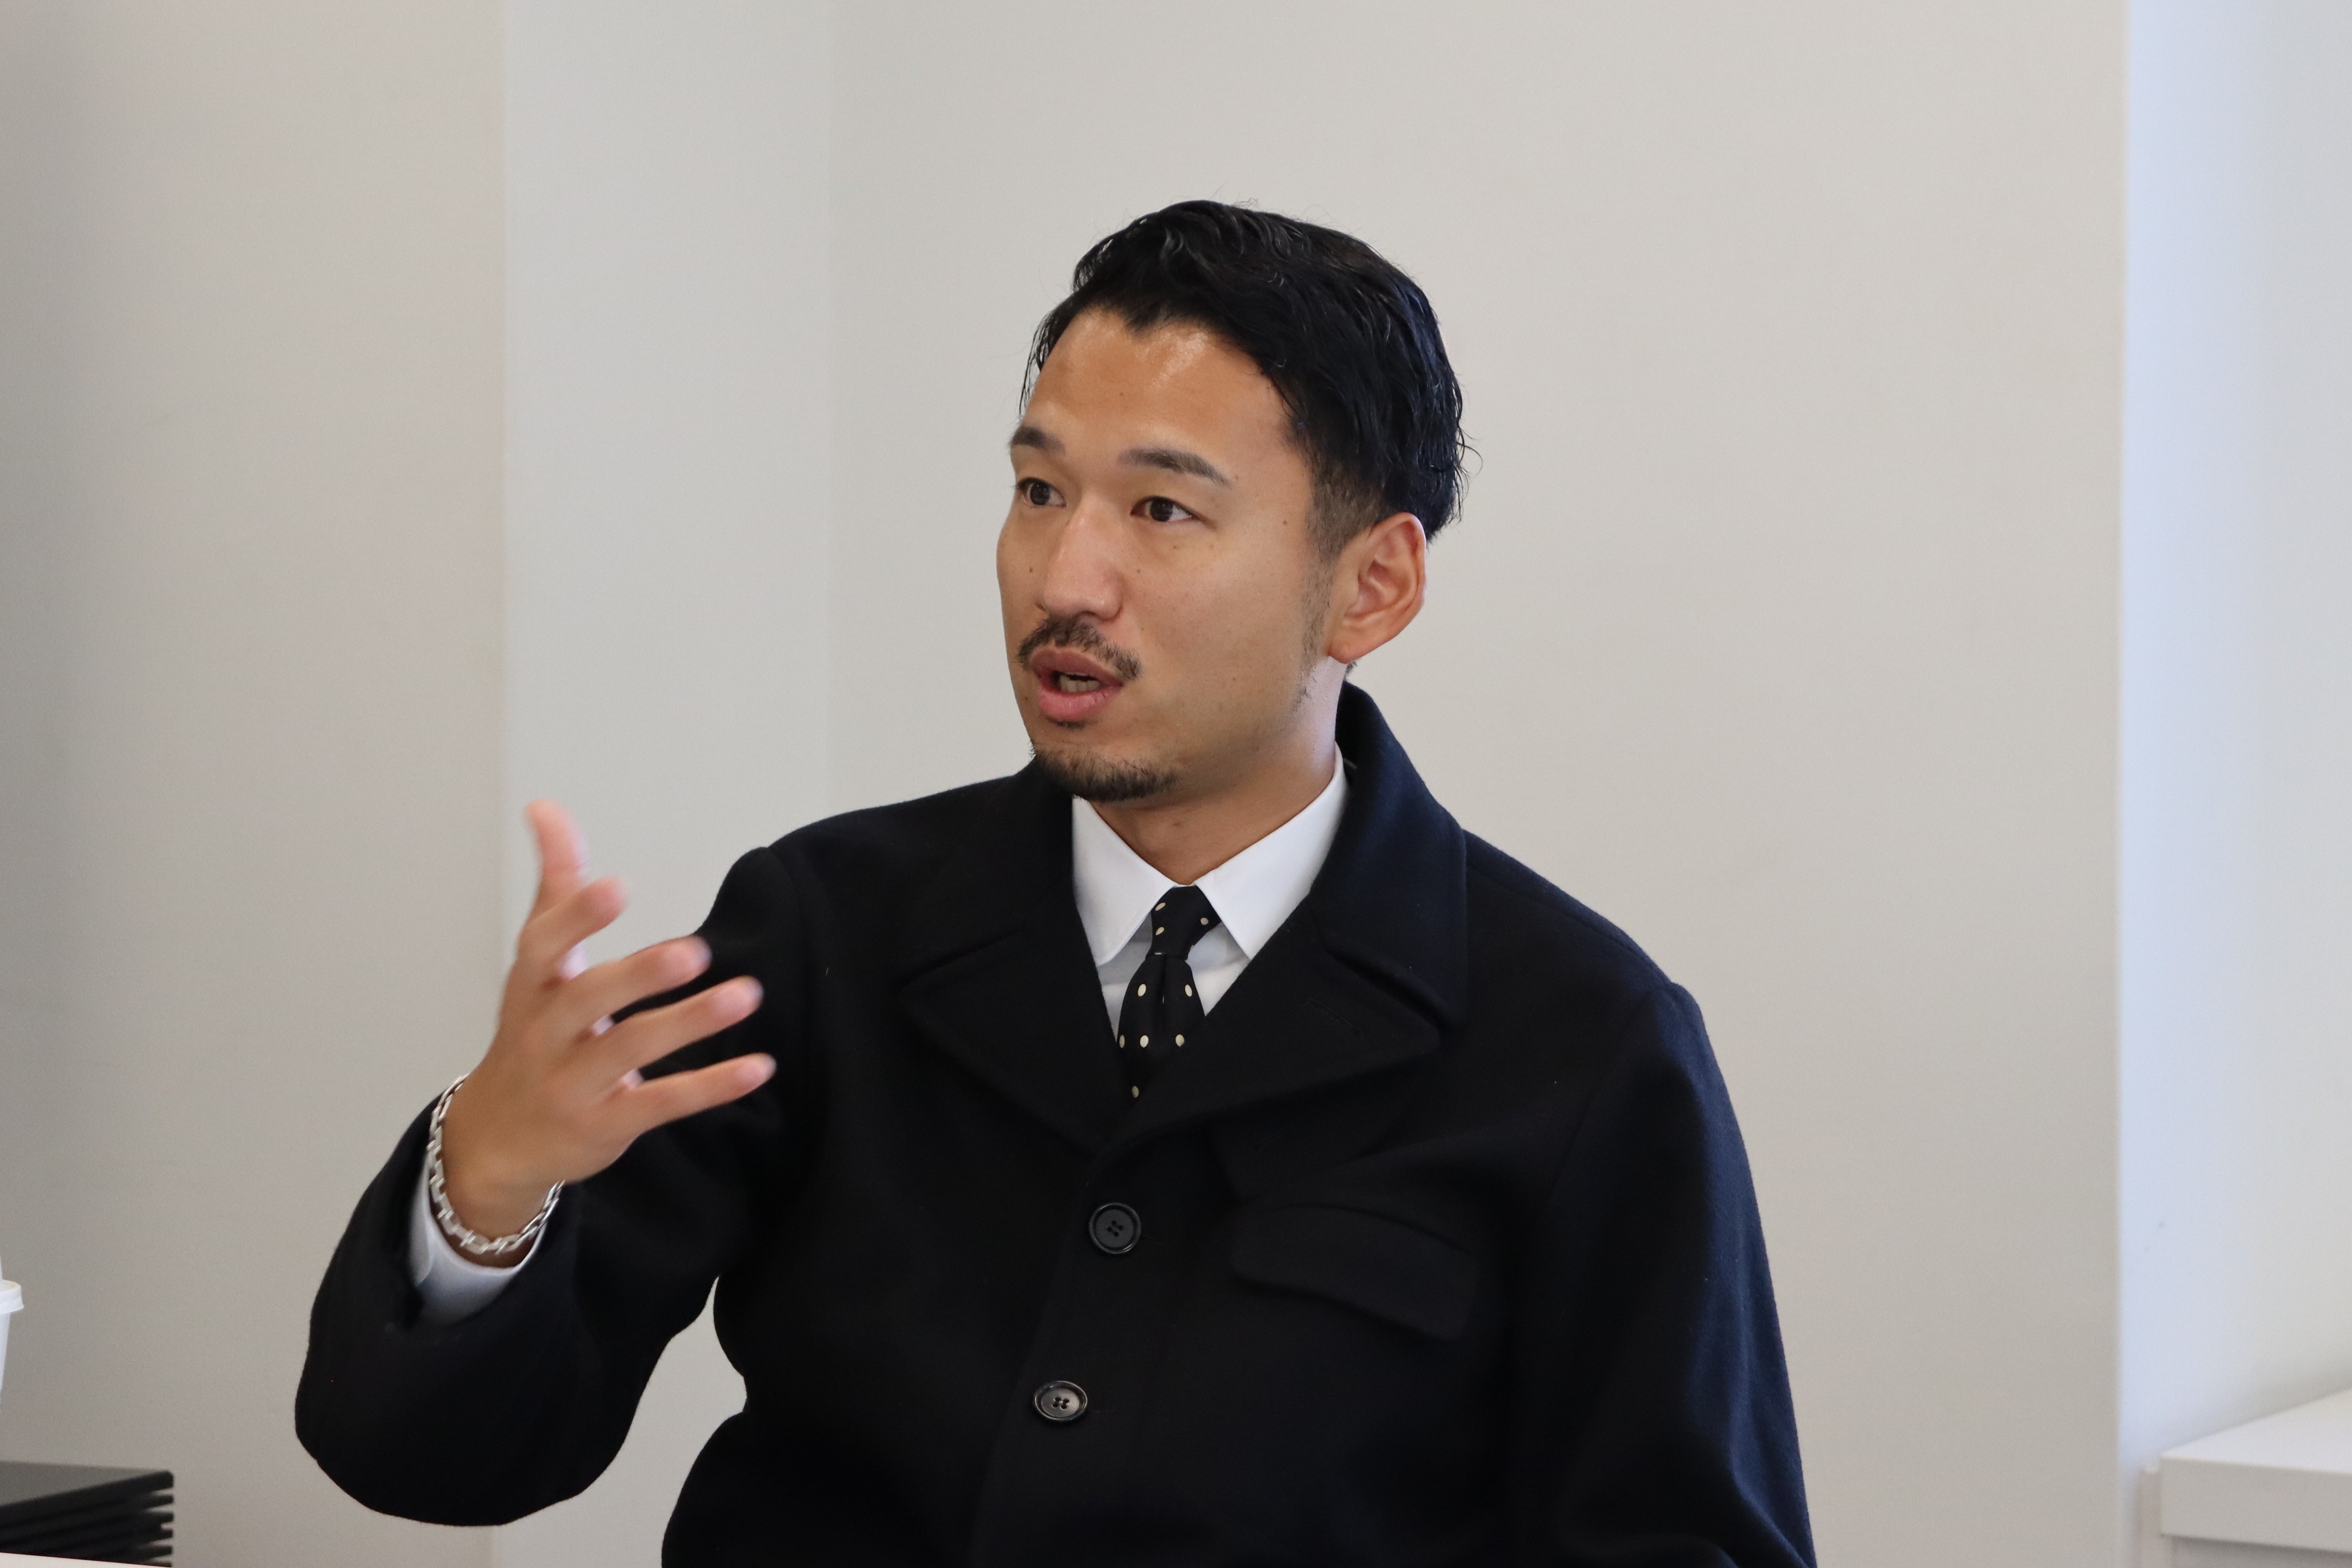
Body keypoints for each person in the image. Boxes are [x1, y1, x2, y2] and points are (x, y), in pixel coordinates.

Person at [298, 199, 1814, 1567]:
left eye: (1161, 511)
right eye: (1038, 491)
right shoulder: (825, 927)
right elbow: (440, 1462)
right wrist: (487, 1183)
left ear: (1372, 586)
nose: (1065, 580)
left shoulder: (1583, 1039)